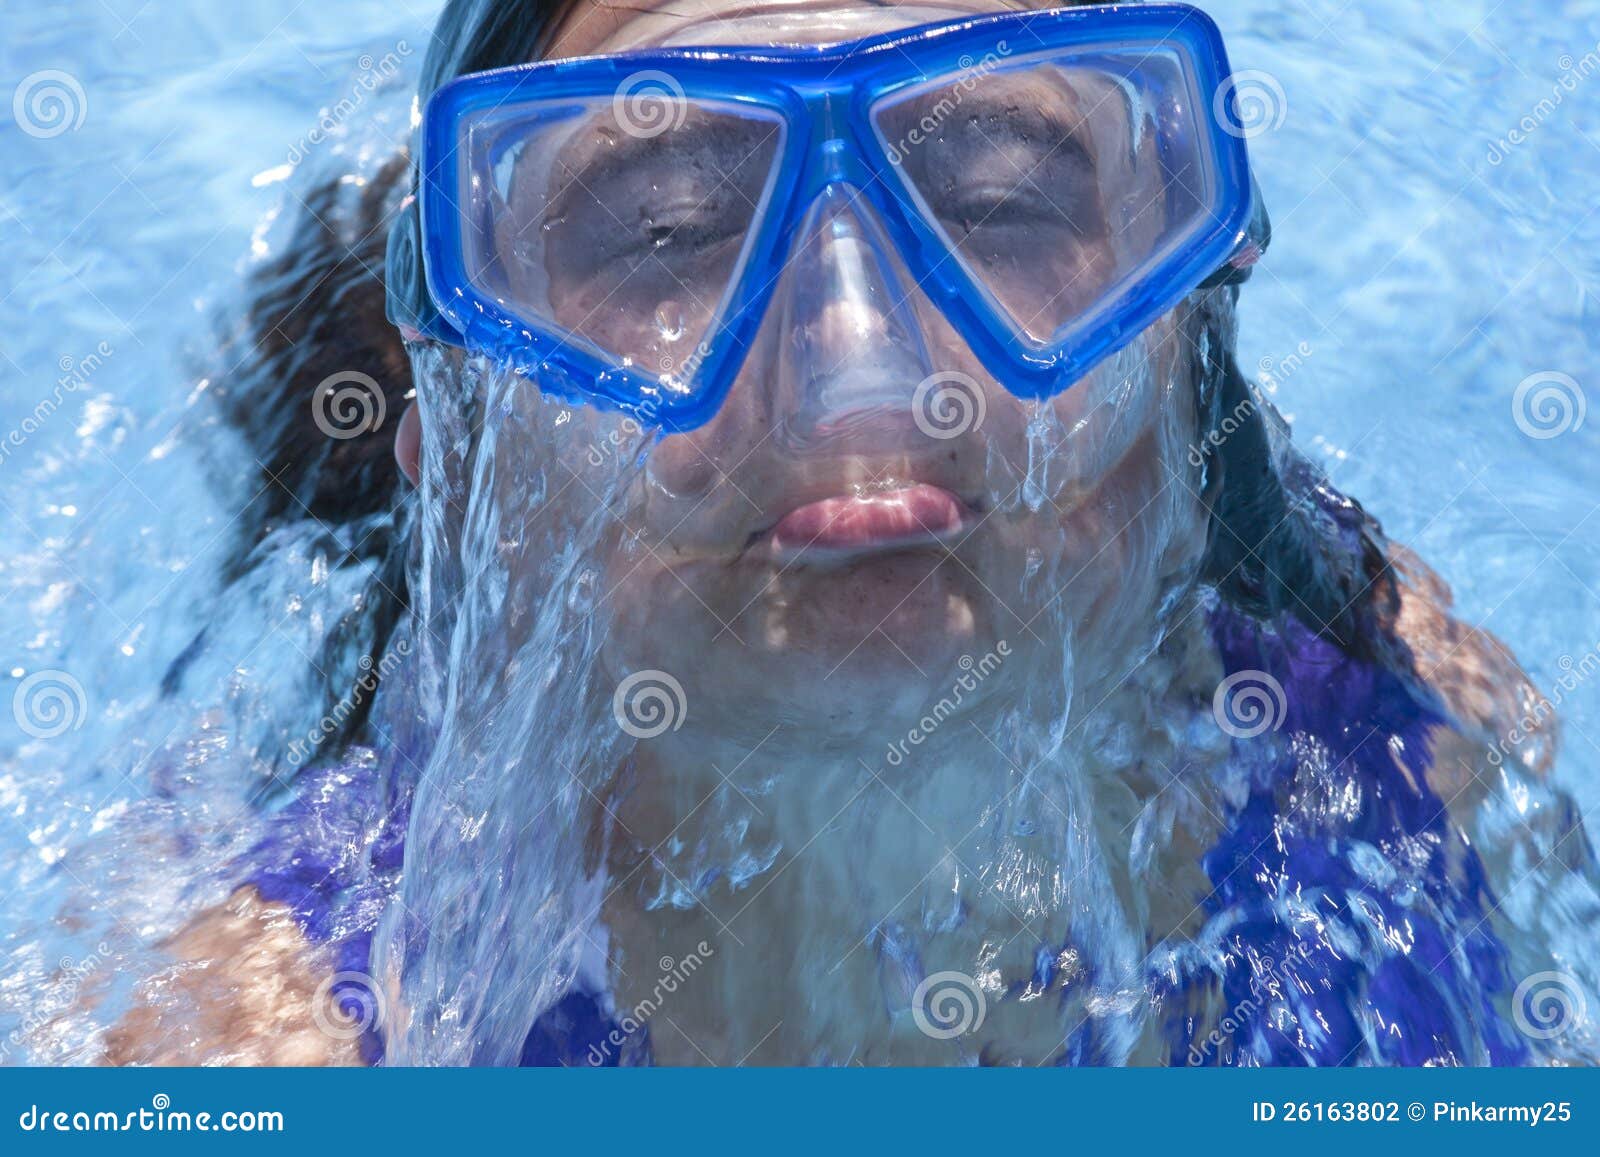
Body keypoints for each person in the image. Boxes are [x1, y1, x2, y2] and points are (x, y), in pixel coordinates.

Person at [107, 0, 1589, 1067]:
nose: (858, 371)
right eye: (672, 226)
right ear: (457, 470)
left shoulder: (1407, 746)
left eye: (1002, 196)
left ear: (1180, 372)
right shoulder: (278, 1029)